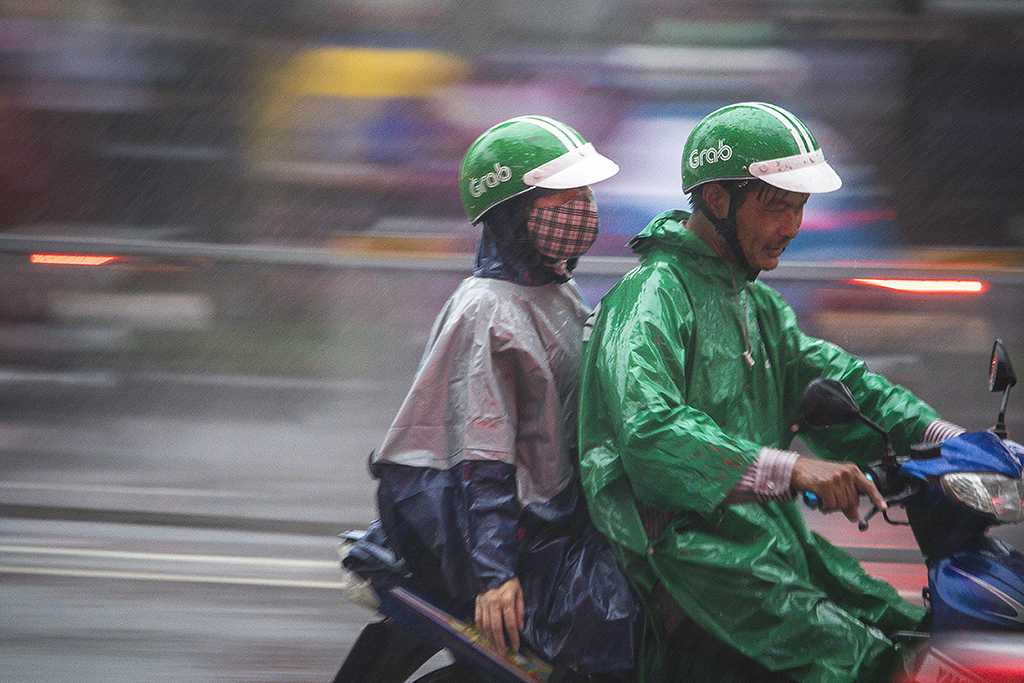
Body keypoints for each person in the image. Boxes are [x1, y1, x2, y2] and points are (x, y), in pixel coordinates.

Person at [576, 102, 965, 683]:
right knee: (868, 664)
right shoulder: (653, 294)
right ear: (717, 201)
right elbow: (650, 432)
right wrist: (794, 471)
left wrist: (951, 439)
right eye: (776, 206)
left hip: (757, 537)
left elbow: (842, 383)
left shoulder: (754, 304)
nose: (792, 228)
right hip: (685, 554)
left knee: (906, 628)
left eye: (800, 208)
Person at [338, 115, 640, 683]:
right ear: (511, 211)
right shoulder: (489, 310)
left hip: (557, 524)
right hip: (517, 542)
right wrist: (494, 574)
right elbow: (485, 460)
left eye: (585, 193)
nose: (582, 208)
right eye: (561, 196)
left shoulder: (554, 291)